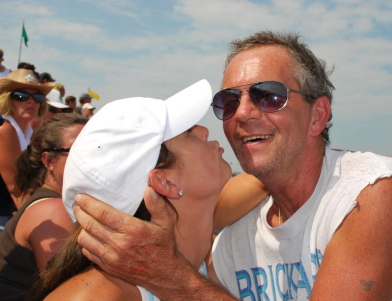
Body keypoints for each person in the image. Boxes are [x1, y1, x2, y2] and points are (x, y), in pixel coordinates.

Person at [72, 32, 392, 300]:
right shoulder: (234, 244)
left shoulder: (373, 196)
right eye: (228, 101)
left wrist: (174, 280)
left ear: (318, 116)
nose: (243, 113)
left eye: (268, 96)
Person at [27, 80, 241, 300]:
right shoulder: (94, 296)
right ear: (164, 182)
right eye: (188, 132)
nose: (204, 131)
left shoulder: (197, 261)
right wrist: (179, 281)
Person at [0, 114, 88, 300]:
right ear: (48, 161)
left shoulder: (55, 202)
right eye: (79, 150)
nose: (91, 157)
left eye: (97, 148)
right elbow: (68, 292)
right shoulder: (53, 210)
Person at [0, 69, 51, 227]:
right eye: (21, 96)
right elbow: (15, 187)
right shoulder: (5, 128)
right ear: (8, 99)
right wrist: (41, 223)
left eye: (37, 97)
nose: (31, 101)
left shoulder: (29, 130)